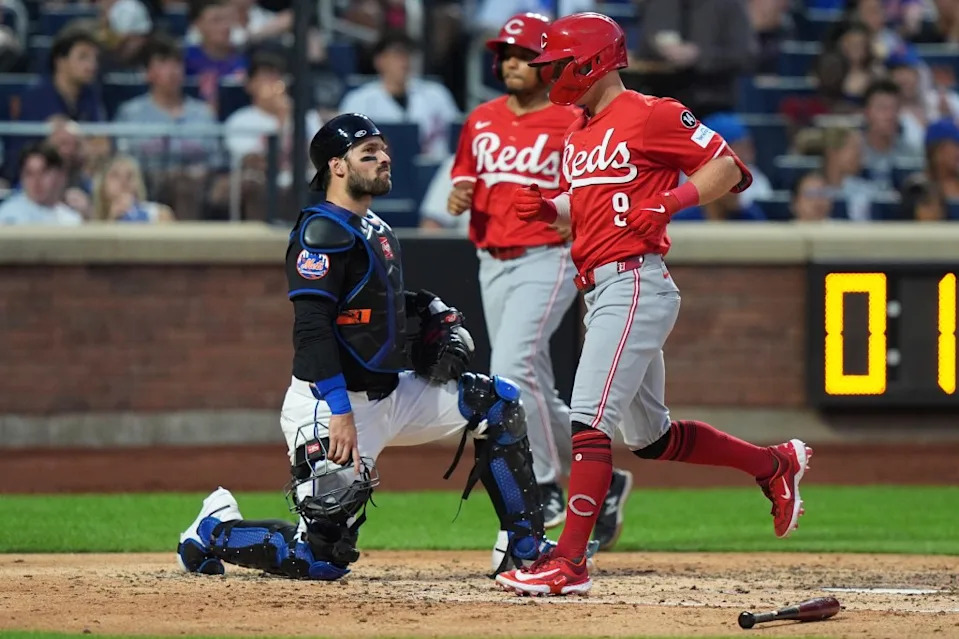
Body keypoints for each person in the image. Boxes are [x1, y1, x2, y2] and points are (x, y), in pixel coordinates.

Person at [176, 113, 595, 581]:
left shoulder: (371, 224)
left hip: (392, 391)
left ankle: (524, 548)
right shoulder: (322, 233)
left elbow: (379, 302)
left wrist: (429, 308)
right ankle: (212, 530)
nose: (383, 159)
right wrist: (339, 411)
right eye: (368, 153)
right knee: (321, 558)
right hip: (331, 406)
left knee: (497, 402)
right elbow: (312, 331)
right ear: (336, 166)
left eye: (383, 151)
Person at [494, 12, 813, 597]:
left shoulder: (651, 112)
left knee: (588, 421)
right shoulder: (578, 130)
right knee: (652, 437)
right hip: (604, 286)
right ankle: (772, 465)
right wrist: (552, 210)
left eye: (557, 63)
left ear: (590, 60)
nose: (550, 74)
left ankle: (569, 564)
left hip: (636, 281)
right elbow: (588, 204)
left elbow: (728, 167)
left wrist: (670, 201)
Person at [446, 12, 633, 551]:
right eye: (505, 53)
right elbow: (464, 180)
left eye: (524, 54)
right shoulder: (481, 118)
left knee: (509, 366)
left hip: (547, 255)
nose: (511, 62)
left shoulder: (569, 118)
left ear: (549, 65)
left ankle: (547, 482)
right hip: (491, 257)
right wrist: (458, 196)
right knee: (530, 377)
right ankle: (607, 483)